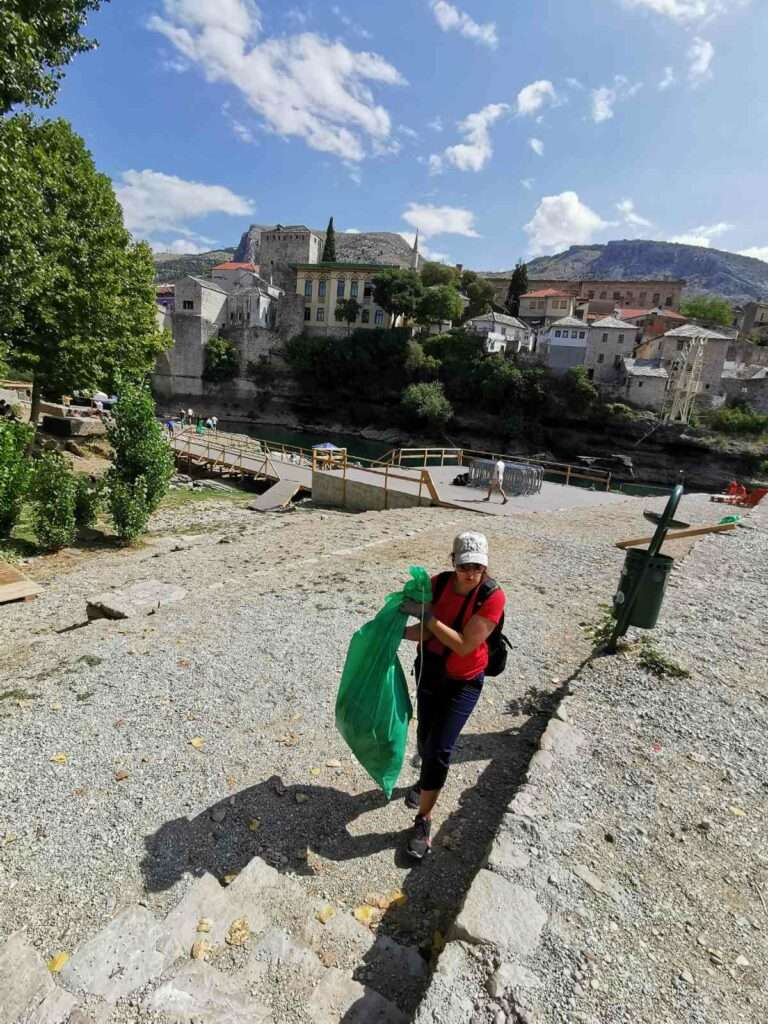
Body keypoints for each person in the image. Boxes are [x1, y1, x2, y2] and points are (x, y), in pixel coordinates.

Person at [400, 531, 506, 860]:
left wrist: (428, 616)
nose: (471, 574)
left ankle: (424, 819)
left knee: (439, 750)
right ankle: (423, 782)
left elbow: (463, 644)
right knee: (424, 735)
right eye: (465, 567)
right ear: (453, 563)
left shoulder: (492, 596)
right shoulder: (438, 584)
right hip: (430, 670)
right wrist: (393, 631)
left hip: (463, 681)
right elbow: (425, 632)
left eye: (478, 567)